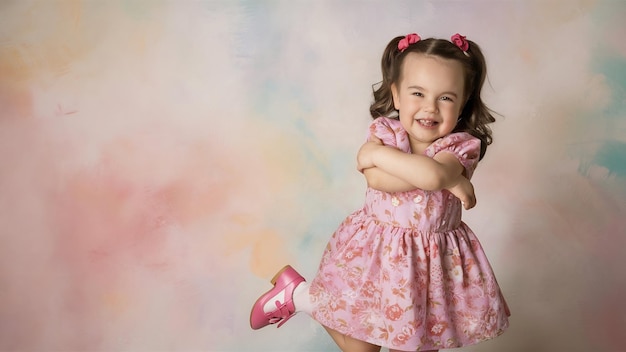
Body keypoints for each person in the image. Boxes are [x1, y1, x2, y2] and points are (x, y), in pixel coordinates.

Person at [250, 32, 510, 352]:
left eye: (446, 97)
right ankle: (300, 296)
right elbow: (378, 181)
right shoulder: (387, 132)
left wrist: (379, 157)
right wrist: (446, 180)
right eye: (418, 93)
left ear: (463, 103)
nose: (430, 107)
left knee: (416, 346)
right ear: (396, 95)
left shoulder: (460, 145)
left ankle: (299, 295)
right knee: (361, 348)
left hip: (428, 267)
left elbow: (428, 175)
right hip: (376, 254)